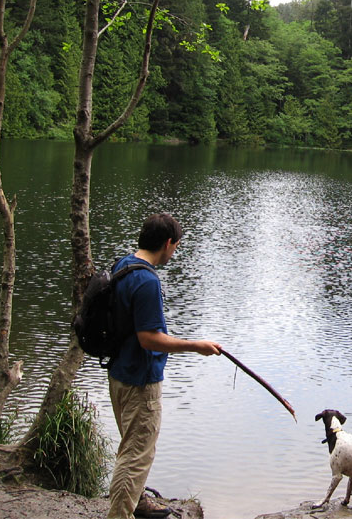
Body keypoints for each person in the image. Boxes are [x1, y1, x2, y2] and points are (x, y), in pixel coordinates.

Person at [106, 213, 221, 519]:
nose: (174, 252)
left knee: (132, 447)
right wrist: (195, 346)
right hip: (139, 381)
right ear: (168, 243)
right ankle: (120, 515)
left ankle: (138, 503)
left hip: (118, 374)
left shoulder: (123, 265)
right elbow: (149, 338)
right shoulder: (146, 281)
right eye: (176, 247)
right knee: (137, 454)